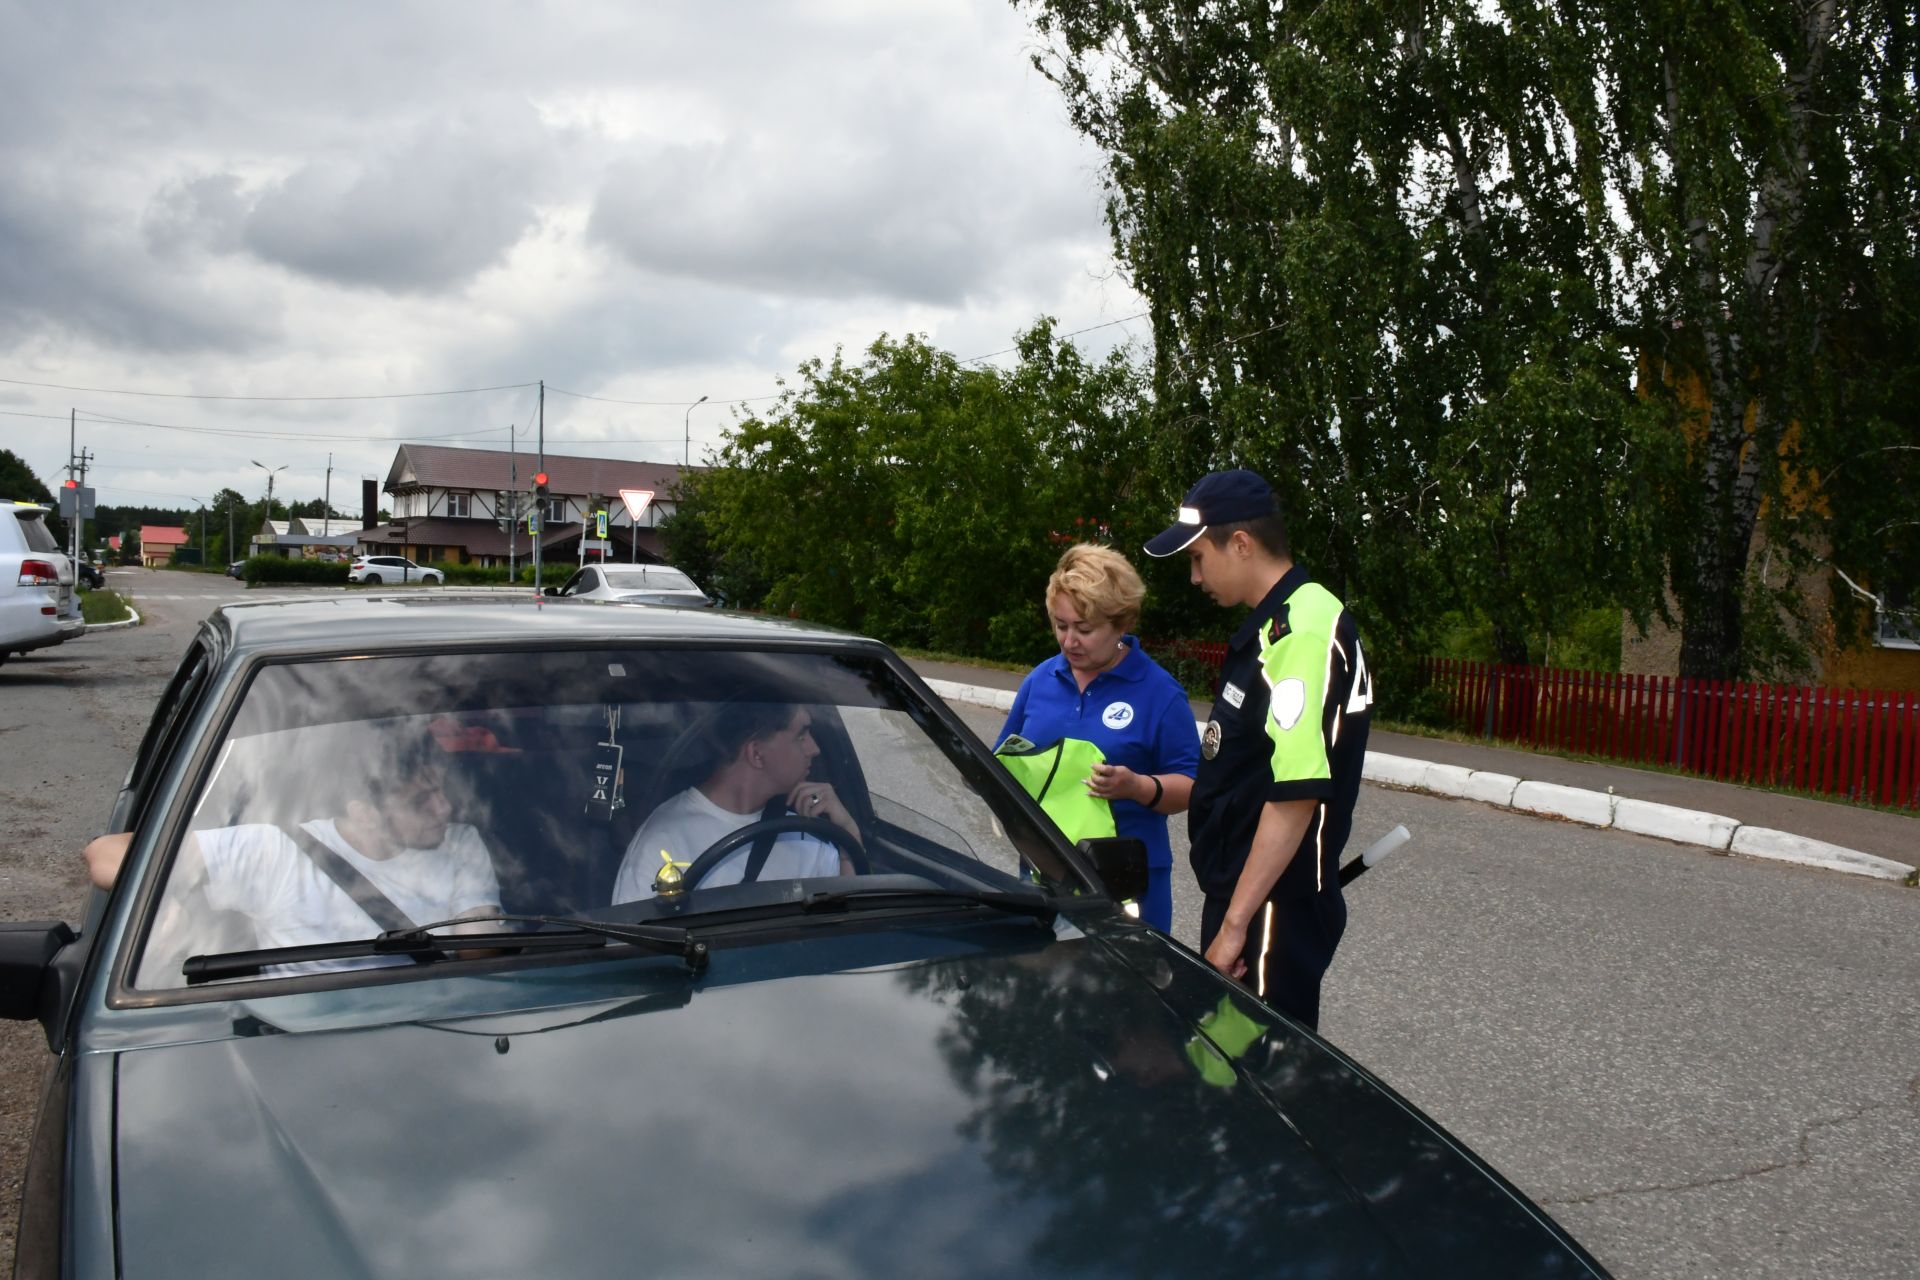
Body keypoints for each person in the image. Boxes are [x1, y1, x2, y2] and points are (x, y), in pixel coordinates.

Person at [1143, 469, 1373, 1030]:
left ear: (1240, 544)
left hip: (1270, 909)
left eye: (1199, 559)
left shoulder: (1302, 633)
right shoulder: (1277, 625)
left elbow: (1293, 796)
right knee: (1226, 1067)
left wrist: (1235, 926)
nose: (1195, 577)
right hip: (1254, 897)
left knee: (1251, 1073)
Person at [84, 731, 502, 974]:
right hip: (307, 1035)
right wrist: (169, 898)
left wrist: (482, 930)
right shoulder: (275, 851)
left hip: (439, 1024)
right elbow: (105, 853)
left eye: (442, 791)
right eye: (421, 801)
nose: (444, 808)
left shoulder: (459, 840)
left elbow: (479, 952)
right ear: (365, 814)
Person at [996, 543, 1198, 932]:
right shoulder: (1040, 681)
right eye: (1061, 625)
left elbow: (1192, 786)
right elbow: (1004, 759)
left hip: (1127, 884)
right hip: (1045, 877)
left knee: (1128, 990)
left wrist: (1138, 786)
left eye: (1084, 629)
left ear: (1121, 623)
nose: (1069, 640)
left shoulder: (1160, 693)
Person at [611, 701, 858, 903]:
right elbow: (634, 949)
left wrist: (848, 833)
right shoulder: (664, 840)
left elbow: (848, 924)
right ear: (756, 754)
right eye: (801, 736)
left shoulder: (808, 832)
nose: (815, 749)